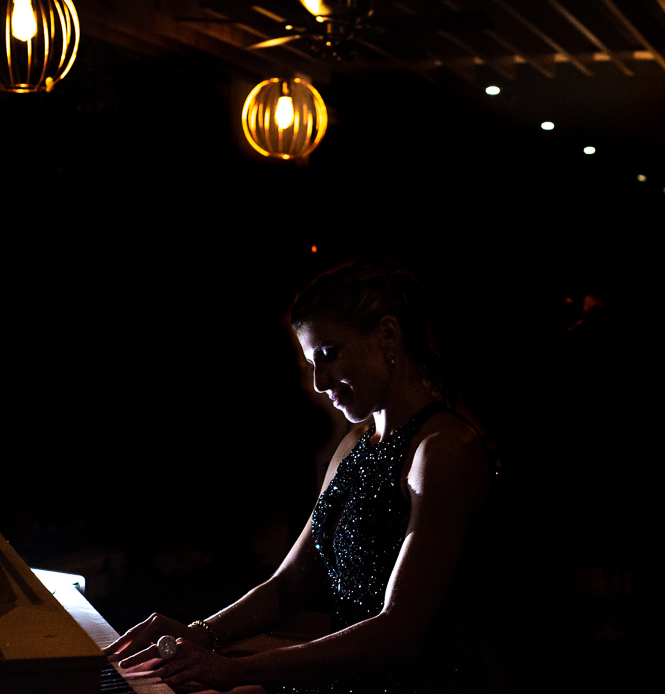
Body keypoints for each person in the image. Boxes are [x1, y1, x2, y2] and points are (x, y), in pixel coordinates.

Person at [104, 259, 502, 693]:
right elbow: (287, 586)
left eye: (328, 355)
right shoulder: (354, 445)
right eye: (311, 362)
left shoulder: (442, 449)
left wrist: (234, 670)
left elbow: (398, 631)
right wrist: (194, 636)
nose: (318, 381)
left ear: (388, 334)